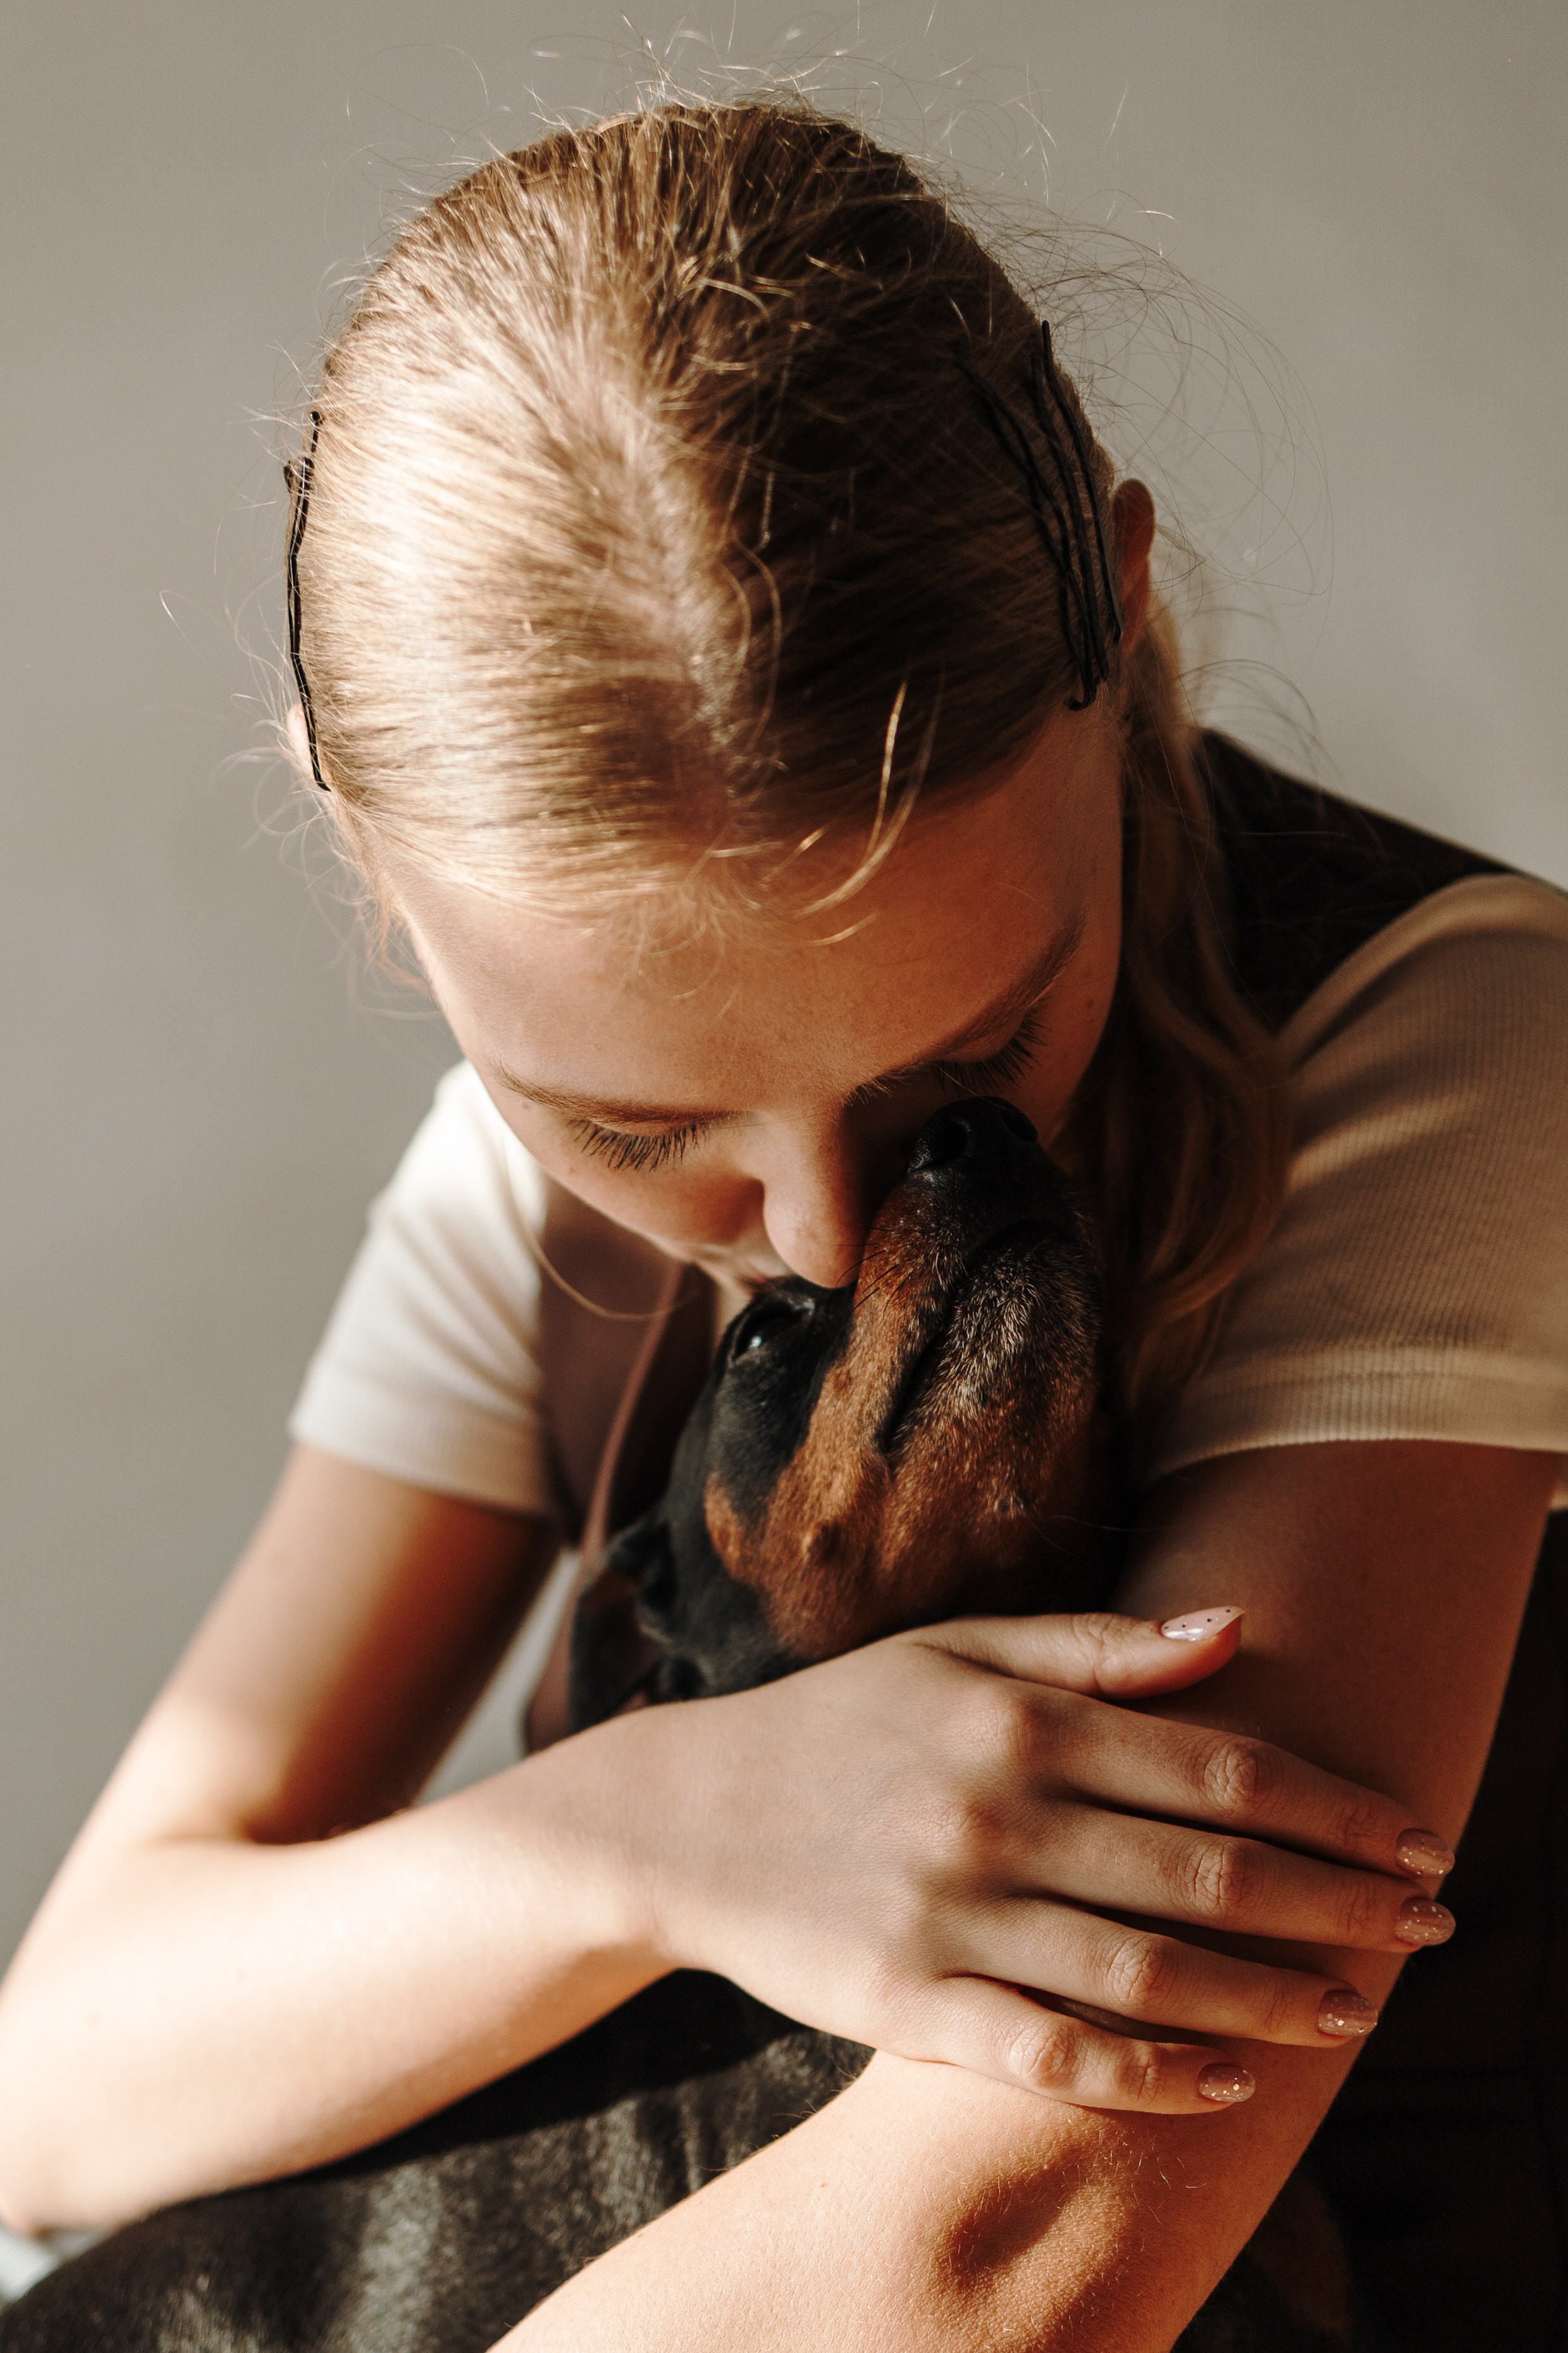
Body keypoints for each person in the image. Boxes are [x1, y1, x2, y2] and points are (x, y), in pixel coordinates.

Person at [1, 97, 1565, 2352]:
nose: (819, 1231)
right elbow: (65, 2086)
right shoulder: (496, 1203)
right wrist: (684, 1825)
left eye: (971, 1064)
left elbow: (1000, 2253)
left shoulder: (1453, 1040)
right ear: (360, 846)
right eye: (633, 1127)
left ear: (1118, 629)